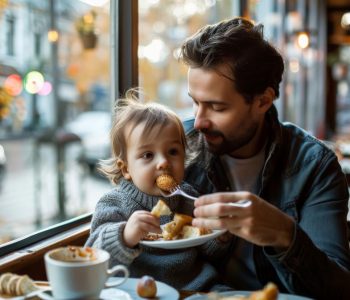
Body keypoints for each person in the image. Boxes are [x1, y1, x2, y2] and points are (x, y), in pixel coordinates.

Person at [179, 17, 350, 299]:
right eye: (195, 102)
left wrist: (283, 234)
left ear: (263, 101)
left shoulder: (315, 166)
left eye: (216, 107)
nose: (198, 122)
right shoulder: (178, 147)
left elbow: (339, 289)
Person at [85, 91, 230, 292]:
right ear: (126, 168)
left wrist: (219, 236)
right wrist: (125, 236)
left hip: (200, 288)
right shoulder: (114, 203)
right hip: (147, 293)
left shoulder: (189, 197)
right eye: (148, 155)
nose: (163, 162)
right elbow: (93, 256)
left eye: (172, 152)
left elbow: (208, 250)